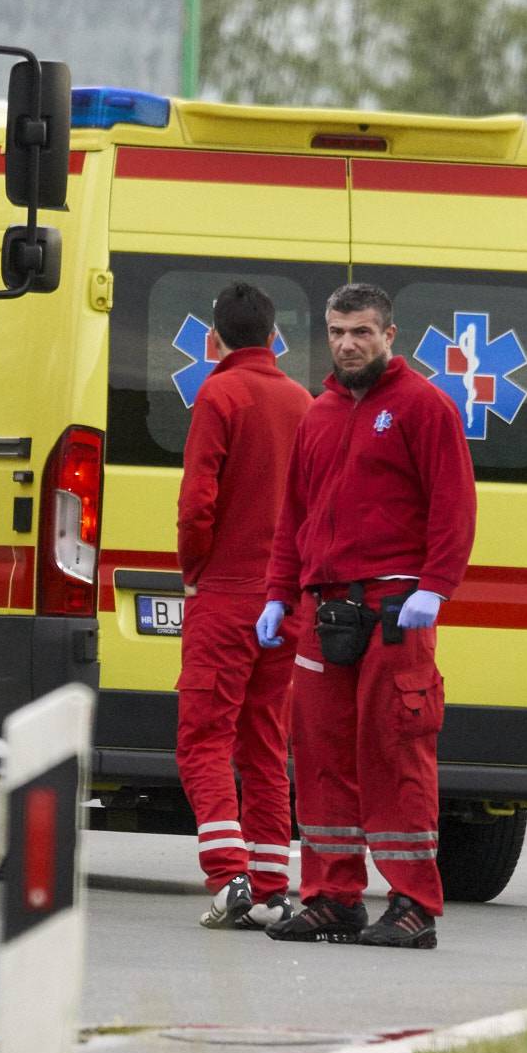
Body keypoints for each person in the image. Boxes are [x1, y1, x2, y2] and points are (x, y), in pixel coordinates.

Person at [258, 283, 475, 950]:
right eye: (338, 332)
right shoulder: (318, 415)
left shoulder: (423, 408)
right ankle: (332, 895)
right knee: (319, 755)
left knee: (395, 753)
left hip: (393, 612)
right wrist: (277, 593)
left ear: (390, 337)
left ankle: (414, 903)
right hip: (325, 613)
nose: (349, 344)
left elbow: (454, 505)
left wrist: (435, 587)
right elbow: (292, 515)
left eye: (362, 332)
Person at [174, 281, 312, 931]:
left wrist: (193, 569)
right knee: (264, 742)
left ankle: (228, 875)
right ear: (275, 338)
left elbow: (198, 501)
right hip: (281, 603)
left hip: (224, 596)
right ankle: (271, 886)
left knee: (204, 737)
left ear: (213, 338)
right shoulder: (301, 401)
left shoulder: (219, 393)